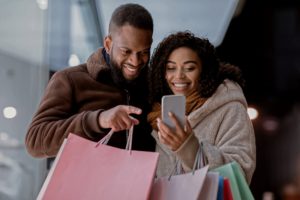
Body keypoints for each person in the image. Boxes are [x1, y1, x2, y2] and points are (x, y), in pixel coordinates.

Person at [25, 3, 155, 157]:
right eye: (126, 51)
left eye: (143, 52)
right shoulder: (70, 80)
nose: (135, 61)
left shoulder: (154, 84)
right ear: (108, 44)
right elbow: (35, 140)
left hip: (142, 180)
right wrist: (98, 120)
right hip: (87, 180)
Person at [147, 31, 256, 184]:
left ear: (204, 71)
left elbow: (241, 173)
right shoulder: (157, 115)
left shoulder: (229, 108)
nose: (179, 76)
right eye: (171, 68)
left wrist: (189, 147)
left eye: (189, 68)